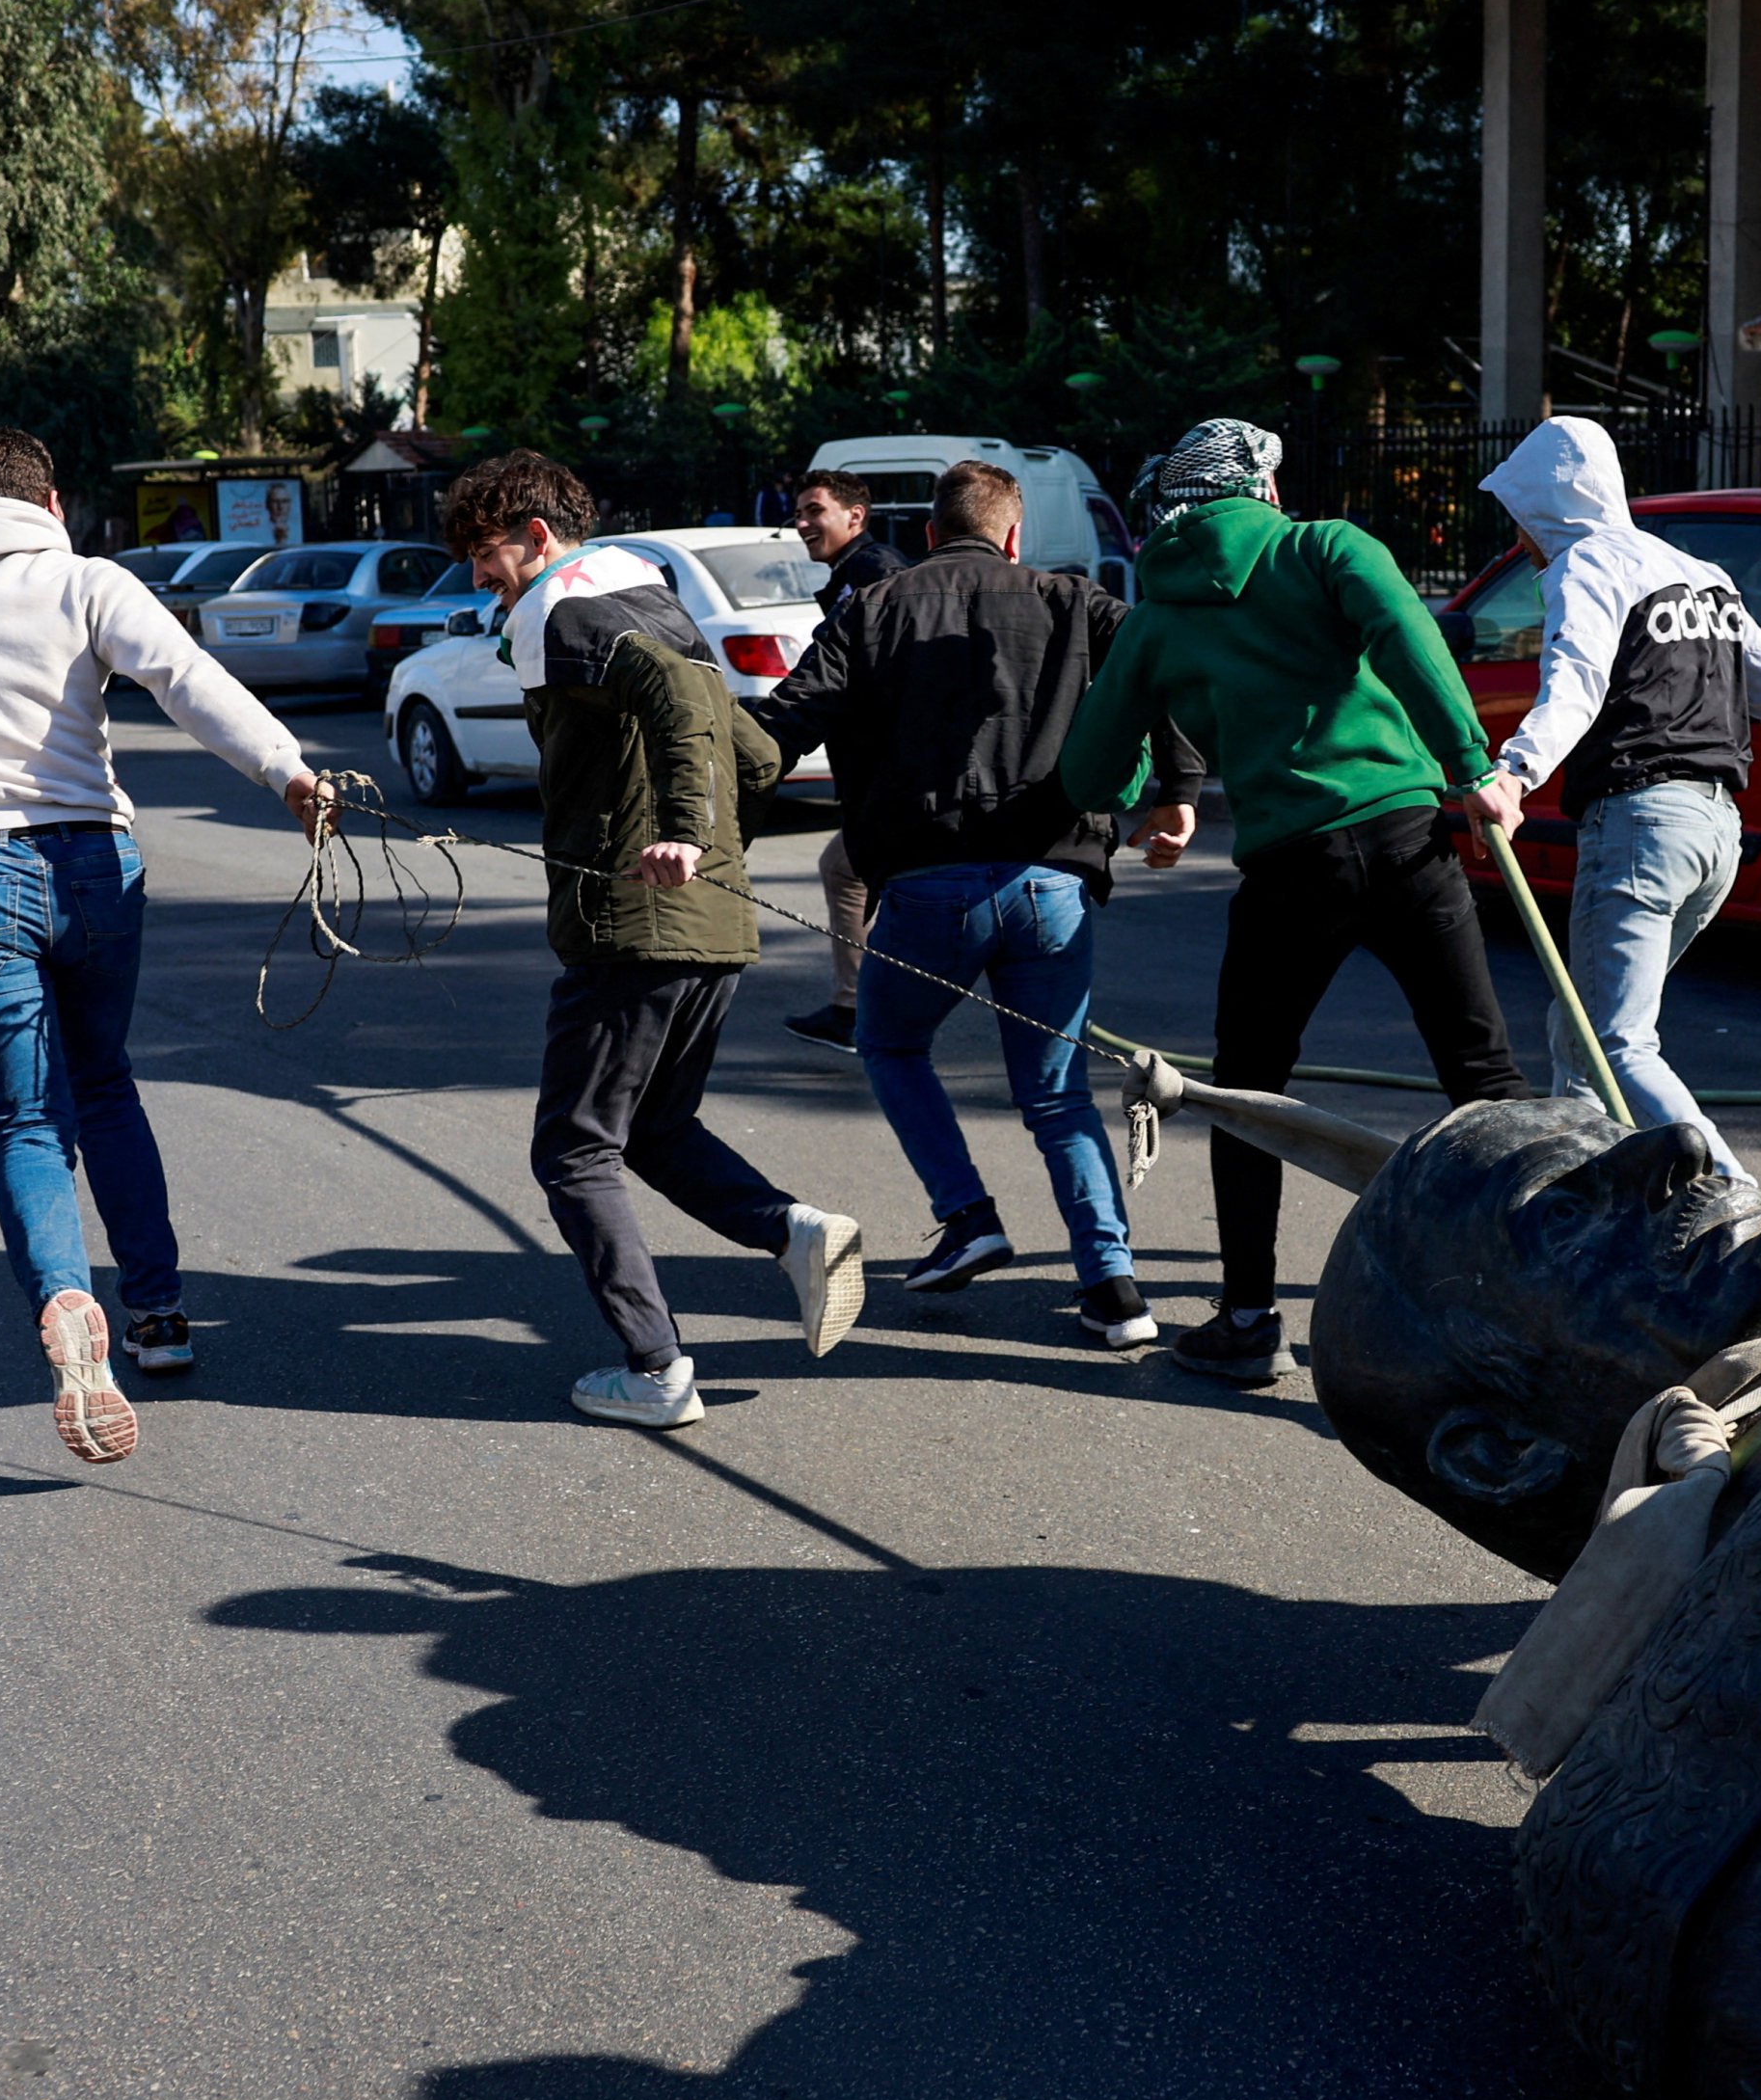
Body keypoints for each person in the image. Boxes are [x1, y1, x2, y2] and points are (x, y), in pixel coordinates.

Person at [0, 337, 327, 1467]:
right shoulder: (84, 577)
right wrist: (287, 772)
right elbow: (187, 680)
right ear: (52, 501)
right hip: (98, 867)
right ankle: (155, 1316)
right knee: (106, 1086)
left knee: (28, 1121)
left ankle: (64, 1300)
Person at [1056, 417, 1532, 1382]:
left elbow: (1088, 773)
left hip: (1289, 872)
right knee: (1484, 1081)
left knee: (1251, 1094)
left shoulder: (1154, 616)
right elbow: (1405, 637)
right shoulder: (1326, 547)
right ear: (1257, 488)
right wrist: (1470, 764)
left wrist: (1149, 769)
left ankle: (1246, 1319)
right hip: (1408, 842)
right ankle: (1536, 1300)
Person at [445, 449, 867, 1430]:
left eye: (483, 551)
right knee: (655, 1129)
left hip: (633, 922)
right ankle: (795, 1233)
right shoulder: (655, 604)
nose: (477, 574)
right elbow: (753, 751)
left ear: (538, 539)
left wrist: (679, 827)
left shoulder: (565, 608)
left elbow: (682, 711)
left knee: (574, 1150)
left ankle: (656, 1368)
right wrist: (715, 835)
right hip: (711, 921)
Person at [747, 459, 1206, 1346]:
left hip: (928, 883)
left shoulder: (874, 607)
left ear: (928, 534)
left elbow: (789, 718)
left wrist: (699, 804)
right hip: (1053, 880)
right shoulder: (1074, 600)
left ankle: (966, 1216)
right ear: (1012, 534)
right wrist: (1176, 790)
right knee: (1057, 1096)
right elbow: (1165, 666)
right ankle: (1115, 1289)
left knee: (888, 1041)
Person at [1464, 416, 1761, 1174]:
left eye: (1520, 515)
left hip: (1639, 826)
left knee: (1614, 1044)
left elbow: (1576, 680)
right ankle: (1597, 1208)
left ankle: (1741, 1214)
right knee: (1581, 1029)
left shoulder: (1586, 565)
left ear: (1546, 507)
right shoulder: (1702, 575)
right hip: (1716, 835)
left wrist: (1514, 773)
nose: (1519, 536)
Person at [781, 467, 910, 1052]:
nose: (803, 523)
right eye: (800, 512)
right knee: (856, 871)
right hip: (885, 769)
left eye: (815, 510)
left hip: (894, 771)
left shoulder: (873, 574)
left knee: (854, 870)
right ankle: (858, 1008)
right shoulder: (856, 571)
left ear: (855, 515)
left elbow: (845, 674)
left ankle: (860, 1012)